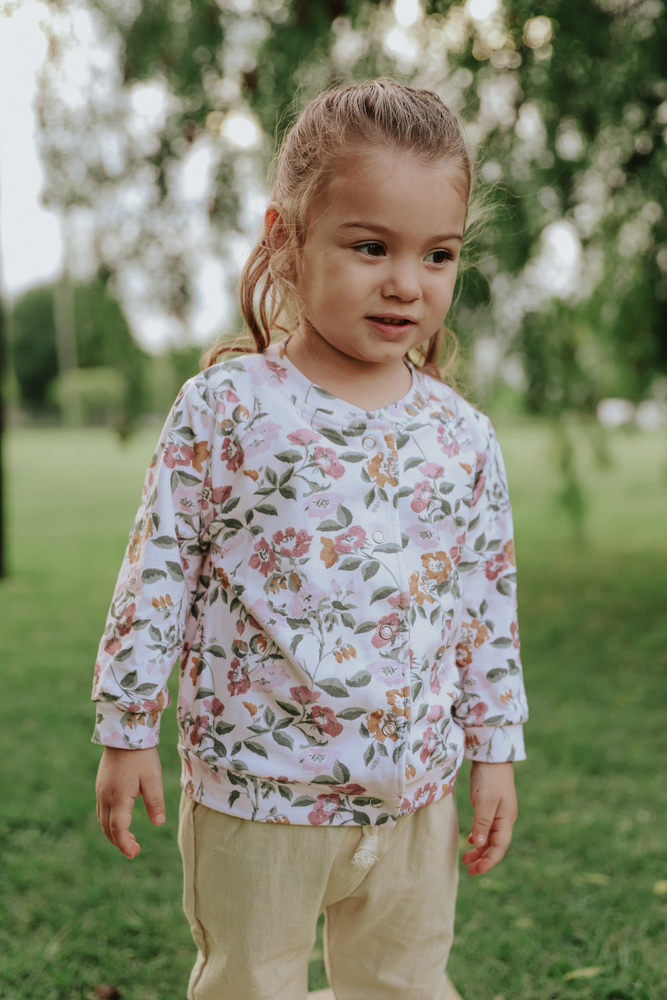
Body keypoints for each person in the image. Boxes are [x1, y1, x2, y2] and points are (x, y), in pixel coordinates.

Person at [93, 79, 529, 1000]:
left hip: (413, 800)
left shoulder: (462, 436)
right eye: (371, 246)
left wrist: (493, 751)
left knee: (405, 985)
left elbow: (484, 607)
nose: (406, 282)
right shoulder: (227, 407)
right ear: (286, 240)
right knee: (250, 984)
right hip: (258, 795)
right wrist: (127, 727)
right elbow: (159, 569)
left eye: (438, 254)